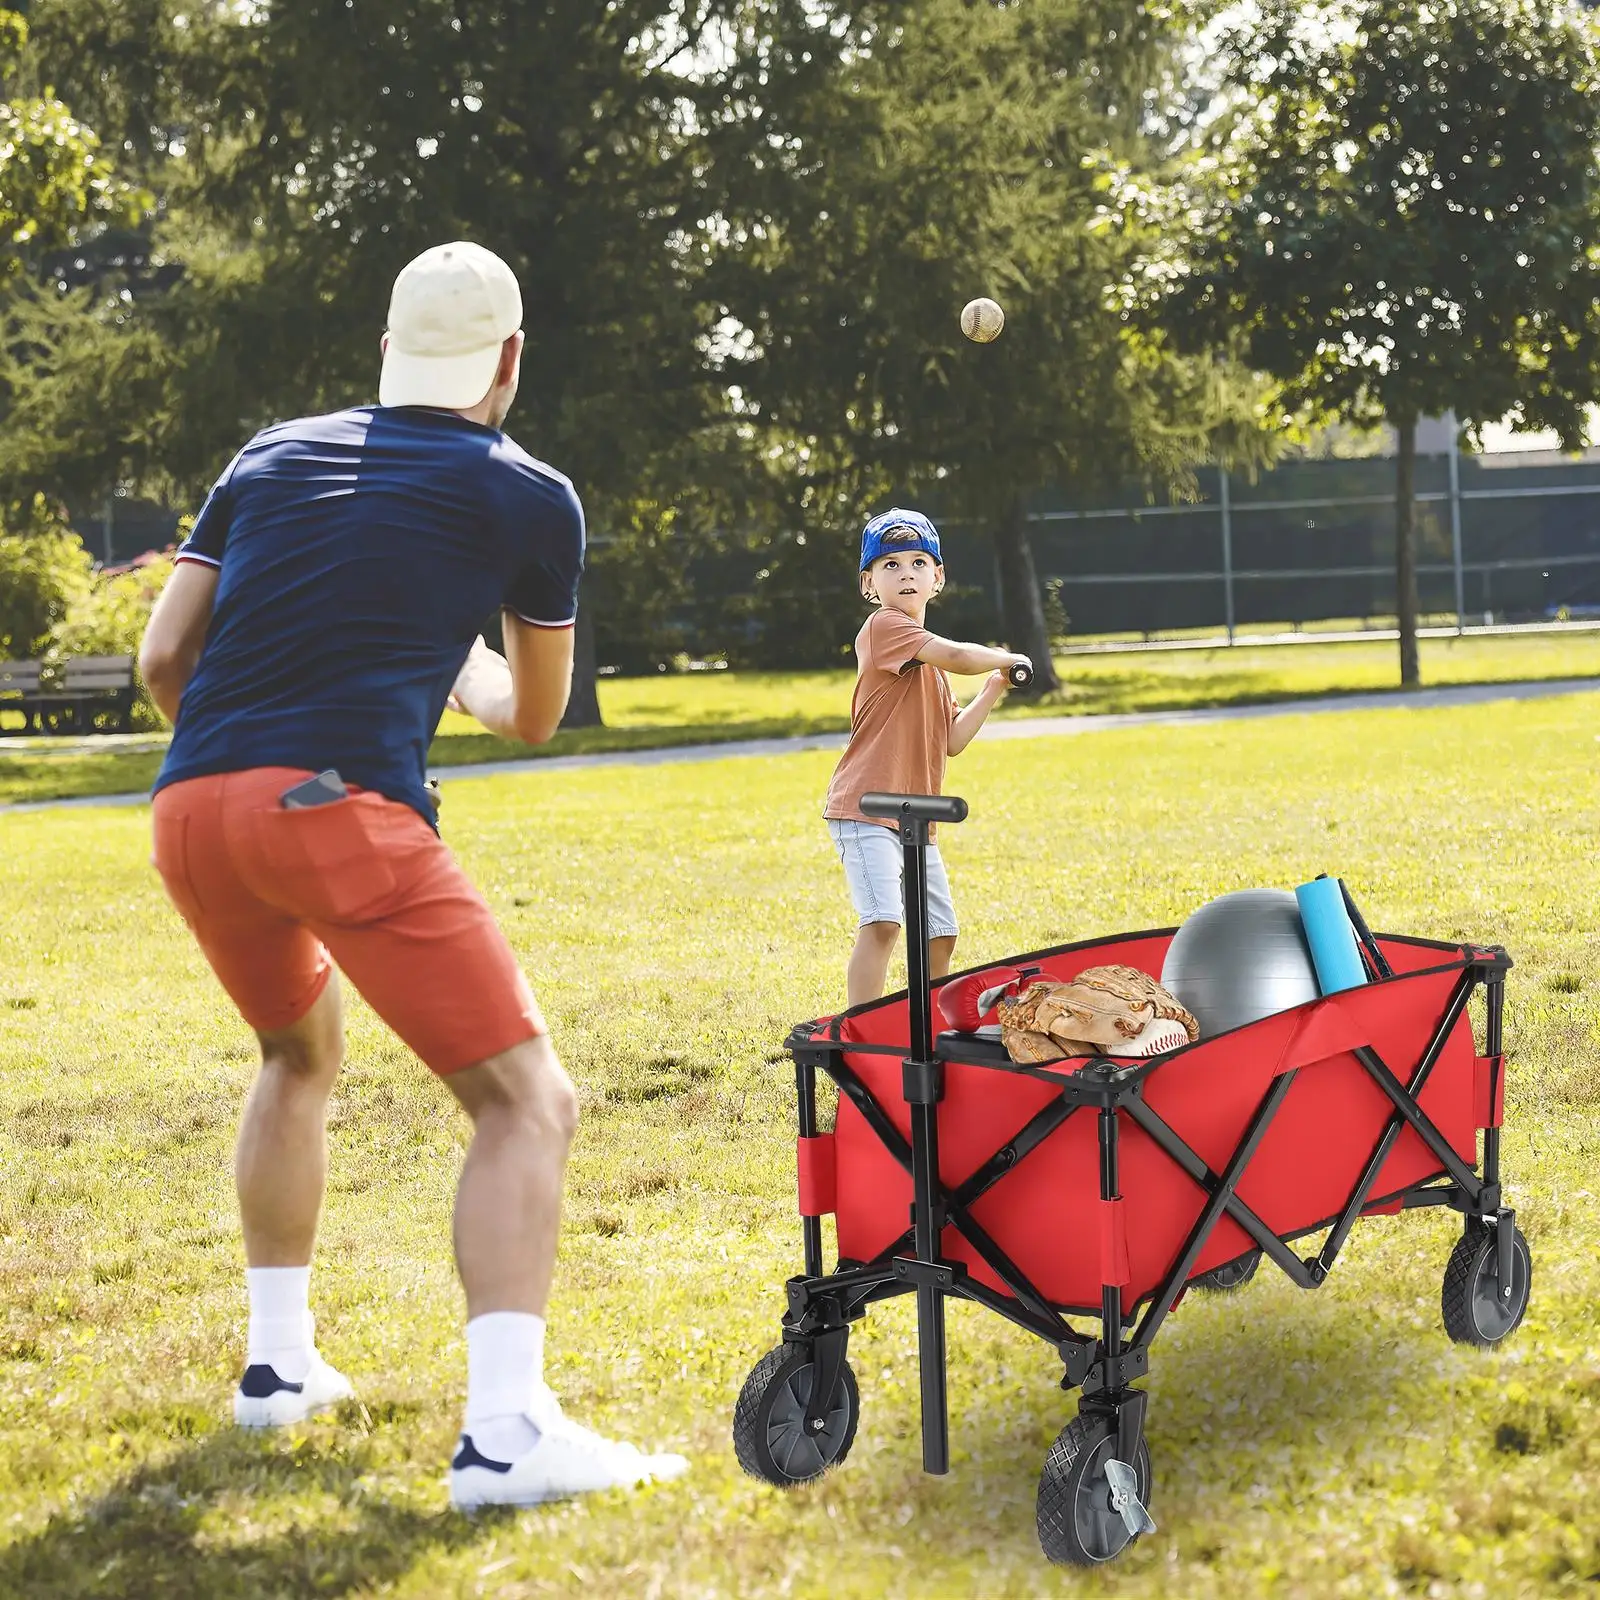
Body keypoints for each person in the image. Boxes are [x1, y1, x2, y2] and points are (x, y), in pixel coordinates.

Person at [137, 240, 687, 1509]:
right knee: (527, 1104)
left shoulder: (267, 455)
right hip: (334, 807)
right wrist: (453, 671)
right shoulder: (528, 493)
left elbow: (170, 657)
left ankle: (276, 1373)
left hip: (190, 807)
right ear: (508, 361)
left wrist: (243, 770)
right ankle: (505, 1435)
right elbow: (533, 713)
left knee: (297, 1053)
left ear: (387, 351)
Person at [822, 509, 1032, 1007]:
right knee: (883, 924)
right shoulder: (884, 629)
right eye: (890, 565)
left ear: (937, 578)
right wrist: (1006, 657)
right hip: (866, 809)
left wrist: (993, 689)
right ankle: (860, 1036)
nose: (906, 573)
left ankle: (928, 1029)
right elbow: (959, 655)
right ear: (868, 583)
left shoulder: (930, 669)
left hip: (916, 818)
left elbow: (952, 740)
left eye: (919, 562)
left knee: (941, 934)